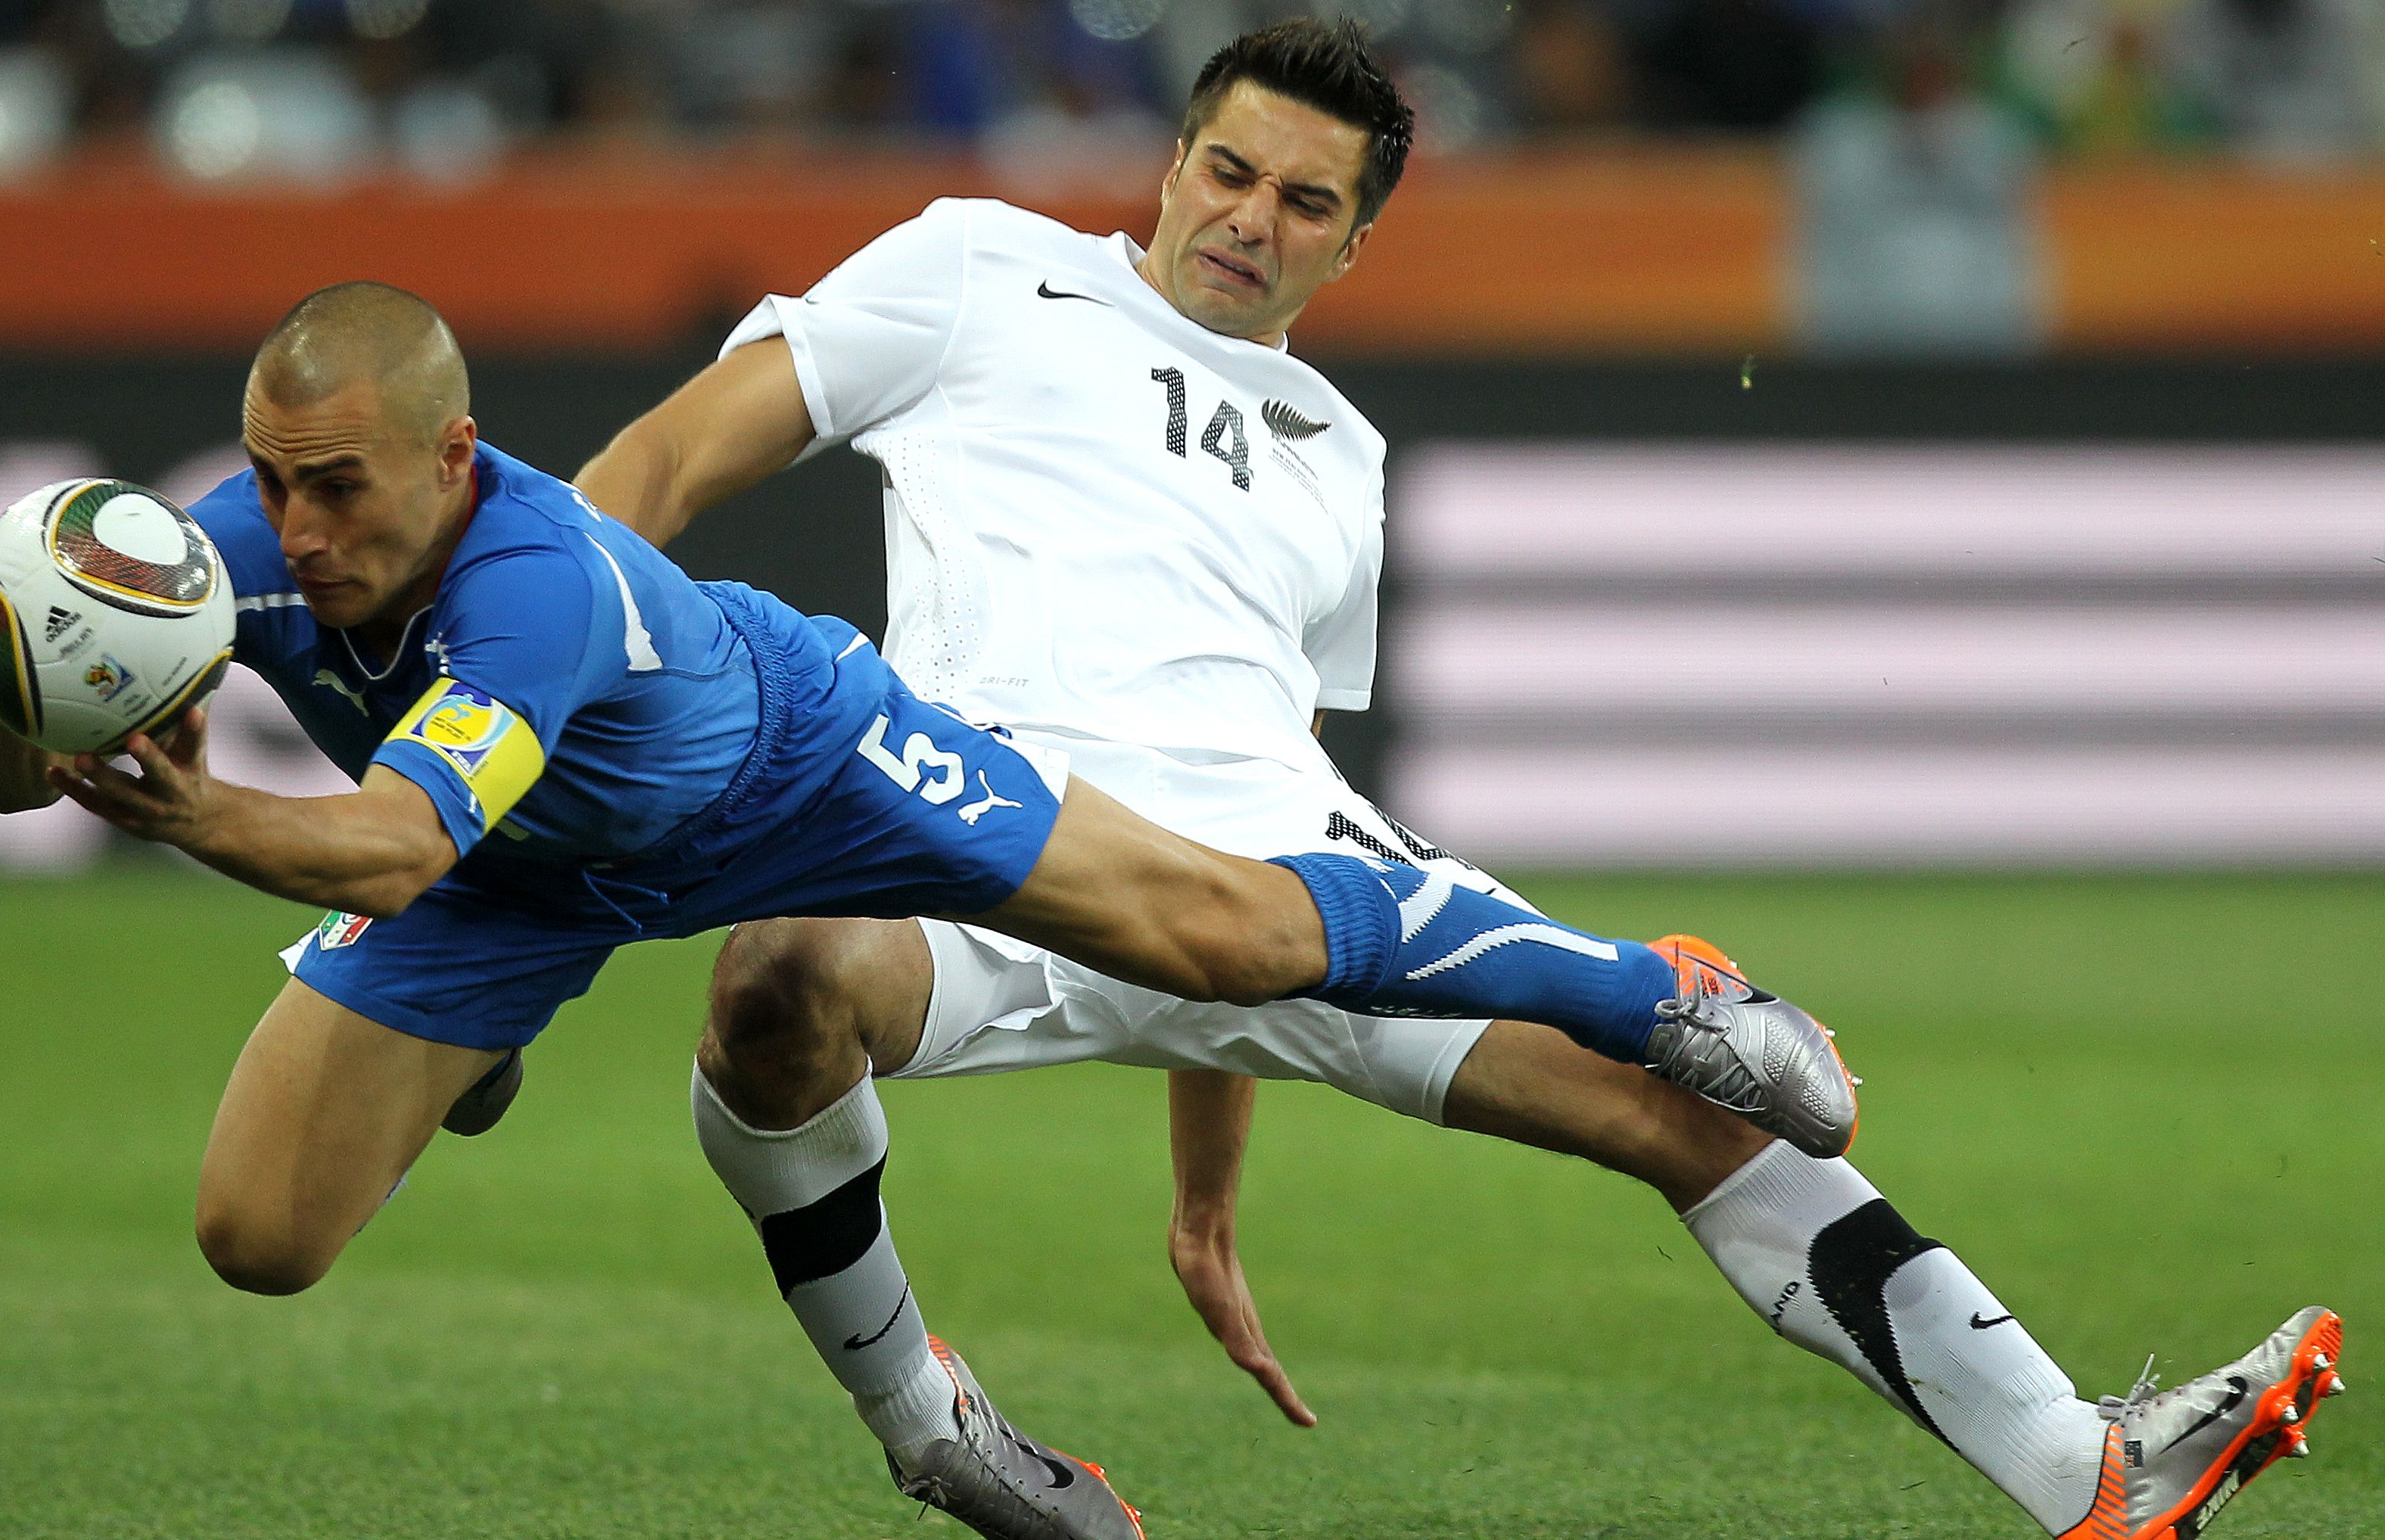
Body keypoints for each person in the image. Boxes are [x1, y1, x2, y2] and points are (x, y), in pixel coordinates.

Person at [572, 17, 2343, 1540]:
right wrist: (523, 680)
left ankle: (2088, 1469)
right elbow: (670, 451)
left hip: (1285, 884)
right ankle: (930, 1428)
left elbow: (1271, 766)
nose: (1251, 221)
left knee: (1703, 1120)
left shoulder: (1342, 455)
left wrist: (1207, 1191)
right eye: (1229, 172)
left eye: (1306, 202)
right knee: (779, 984)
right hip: (989, 833)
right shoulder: (977, 265)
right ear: (1172, 163)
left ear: (1353, 245)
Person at [0, 272, 1854, 1534]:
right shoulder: (228, 552)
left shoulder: (530, 579)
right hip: (522, 871)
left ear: (453, 460)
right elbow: (40, 758)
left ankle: (1650, 988)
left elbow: (379, 847)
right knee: (256, 1236)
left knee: (1225, 932)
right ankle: (938, 1428)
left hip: (801, 766)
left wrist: (197, 812)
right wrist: (27, 690)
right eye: (276, 485)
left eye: (340, 490)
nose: (298, 533)